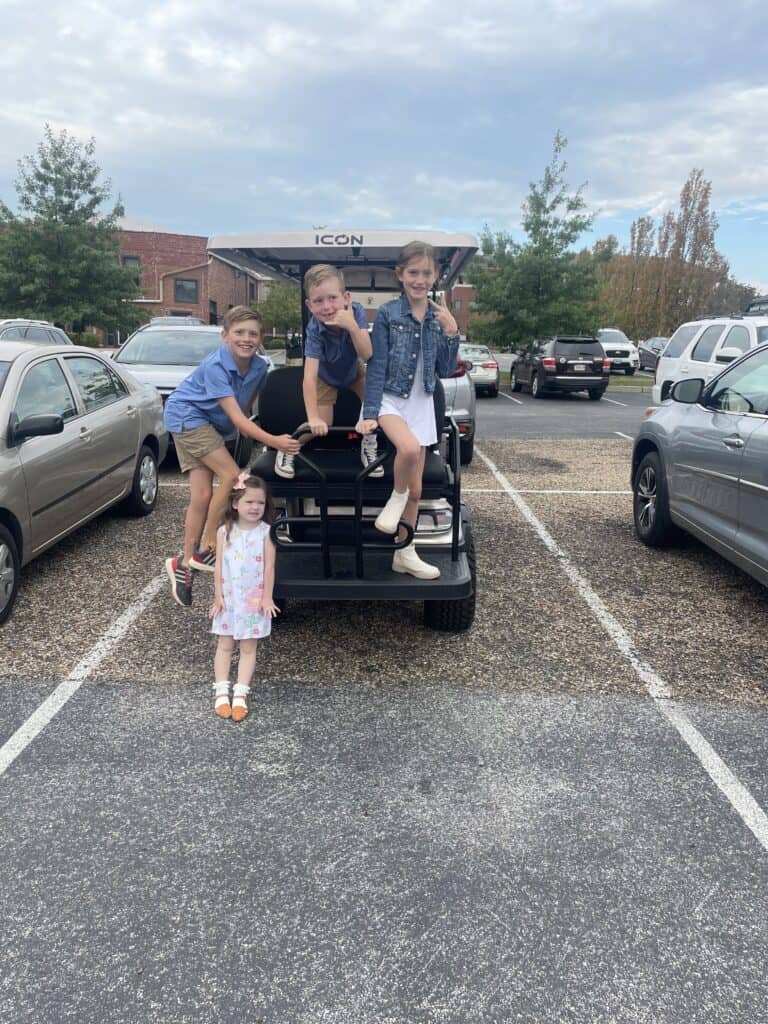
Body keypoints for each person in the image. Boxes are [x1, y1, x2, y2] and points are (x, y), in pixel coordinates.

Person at [163, 306, 300, 607]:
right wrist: (274, 441)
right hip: (187, 417)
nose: (246, 339)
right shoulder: (216, 366)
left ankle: (184, 564)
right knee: (231, 476)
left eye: (253, 333)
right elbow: (239, 420)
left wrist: (257, 431)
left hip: (210, 424)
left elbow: (246, 410)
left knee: (201, 497)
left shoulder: (261, 367)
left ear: (261, 338)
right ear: (225, 336)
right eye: (239, 333)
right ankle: (208, 547)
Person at [357, 241, 460, 580]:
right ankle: (394, 500)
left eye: (426, 273)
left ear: (435, 276)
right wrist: (370, 411)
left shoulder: (437, 317)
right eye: (413, 272)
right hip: (390, 398)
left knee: (418, 491)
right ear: (400, 275)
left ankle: (404, 553)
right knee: (407, 448)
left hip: (421, 402)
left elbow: (444, 370)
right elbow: (377, 364)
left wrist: (452, 332)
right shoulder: (388, 313)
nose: (420, 279)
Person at [275, 264, 382, 479]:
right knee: (324, 423)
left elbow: (367, 353)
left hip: (353, 371)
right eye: (318, 301)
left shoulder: (357, 311)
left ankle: (369, 446)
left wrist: (352, 326)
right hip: (326, 377)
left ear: (346, 298)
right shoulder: (315, 329)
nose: (327, 307)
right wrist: (313, 417)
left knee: (376, 406)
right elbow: (309, 377)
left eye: (332, 298)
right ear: (309, 305)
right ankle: (288, 448)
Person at [209, 476, 278, 722]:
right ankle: (220, 691)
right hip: (229, 600)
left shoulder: (267, 533)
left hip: (252, 601)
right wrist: (218, 596)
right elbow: (218, 566)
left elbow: (269, 567)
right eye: (249, 501)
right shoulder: (224, 531)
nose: (255, 507)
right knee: (225, 645)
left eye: (260, 502)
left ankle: (240, 694)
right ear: (236, 503)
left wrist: (267, 598)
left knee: (249, 647)